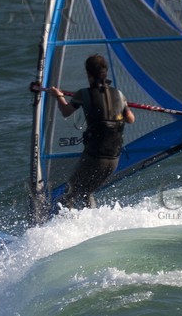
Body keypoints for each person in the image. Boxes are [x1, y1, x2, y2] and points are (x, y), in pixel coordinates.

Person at [33, 53, 135, 208]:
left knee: (71, 192)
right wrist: (122, 105)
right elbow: (130, 119)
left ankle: (63, 227)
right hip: (114, 157)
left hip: (94, 157)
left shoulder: (83, 94)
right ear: (105, 72)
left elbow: (66, 111)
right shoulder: (119, 95)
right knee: (86, 192)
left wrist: (58, 96)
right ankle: (92, 224)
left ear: (88, 74)